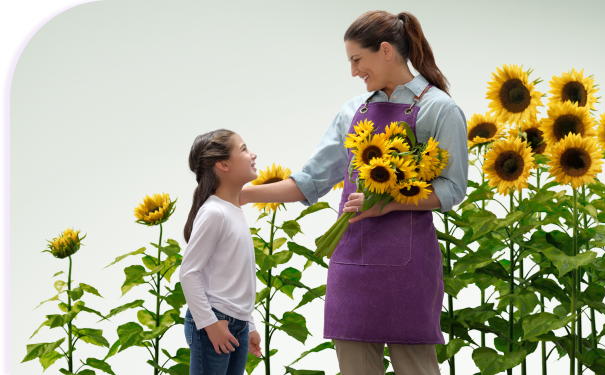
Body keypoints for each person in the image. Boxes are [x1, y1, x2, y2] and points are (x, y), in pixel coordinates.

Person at [239, 10, 468, 375]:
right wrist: (243, 195)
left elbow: (453, 189)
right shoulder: (353, 111)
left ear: (385, 50)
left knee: (416, 368)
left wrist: (388, 204)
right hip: (351, 265)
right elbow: (311, 180)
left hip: (407, 267)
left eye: (356, 60)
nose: (353, 71)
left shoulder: (438, 108)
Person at [179, 129, 263, 375]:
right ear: (223, 164)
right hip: (214, 321)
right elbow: (188, 273)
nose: (252, 154)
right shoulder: (215, 212)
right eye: (244, 149)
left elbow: (237, 280)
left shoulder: (233, 210)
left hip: (235, 324)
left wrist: (249, 324)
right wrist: (210, 325)